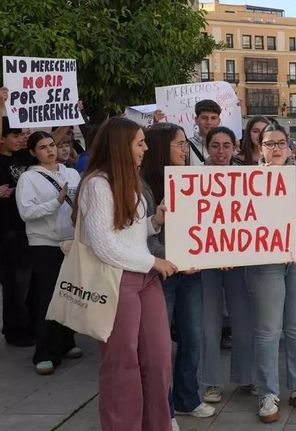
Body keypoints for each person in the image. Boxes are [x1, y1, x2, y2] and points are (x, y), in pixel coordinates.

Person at [75, 117, 178, 431]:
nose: (145, 149)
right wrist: (153, 263)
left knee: (159, 361)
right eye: (139, 143)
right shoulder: (96, 184)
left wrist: (155, 221)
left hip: (144, 281)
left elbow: (127, 232)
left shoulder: (130, 180)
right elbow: (103, 244)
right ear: (121, 146)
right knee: (122, 365)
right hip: (117, 282)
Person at [247, 121, 296, 422]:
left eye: (281, 143)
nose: (276, 148)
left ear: (290, 147)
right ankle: (268, 392)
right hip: (265, 264)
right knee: (268, 330)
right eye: (270, 143)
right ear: (260, 148)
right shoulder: (245, 181)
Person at [140, 123, 216, 422]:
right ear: (161, 147)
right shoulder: (144, 187)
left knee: (192, 336)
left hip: (191, 275)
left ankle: (187, 398)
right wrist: (171, 259)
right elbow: (143, 238)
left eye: (185, 144)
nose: (185, 150)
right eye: (179, 144)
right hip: (159, 277)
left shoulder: (192, 179)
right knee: (158, 348)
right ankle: (163, 408)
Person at [15, 131, 81, 375]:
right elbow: (27, 213)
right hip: (44, 243)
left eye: (52, 145)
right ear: (33, 152)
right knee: (49, 297)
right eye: (42, 147)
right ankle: (44, 353)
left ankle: (66, 341)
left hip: (71, 241)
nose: (50, 150)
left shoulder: (71, 172)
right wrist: (57, 201)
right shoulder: (28, 178)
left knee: (70, 293)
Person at [199, 126, 257, 404]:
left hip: (239, 261)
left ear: (235, 148)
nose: (221, 152)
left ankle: (246, 376)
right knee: (208, 324)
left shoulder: (247, 176)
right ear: (207, 147)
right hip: (204, 263)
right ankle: (210, 382)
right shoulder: (191, 177)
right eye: (215, 146)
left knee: (244, 321)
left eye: (226, 146)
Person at [0, 117, 33, 346]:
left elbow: (51, 143)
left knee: (27, 284)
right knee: (14, 285)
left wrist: (71, 116)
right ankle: (14, 330)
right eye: (15, 135)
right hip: (6, 232)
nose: (20, 138)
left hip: (25, 230)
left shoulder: (23, 157)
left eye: (22, 134)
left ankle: (25, 326)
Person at [187, 100, 222, 165]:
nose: (209, 122)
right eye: (204, 118)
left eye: (213, 118)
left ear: (219, 121)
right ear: (196, 120)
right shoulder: (186, 147)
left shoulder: (227, 146)